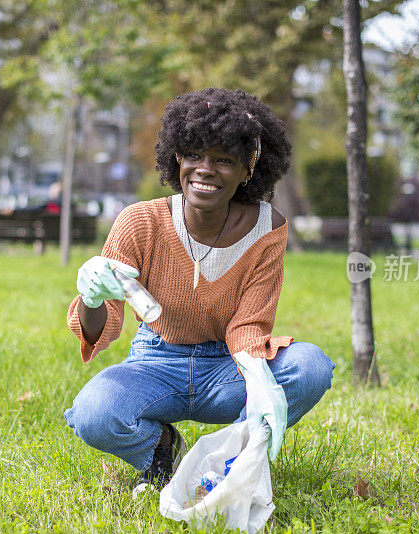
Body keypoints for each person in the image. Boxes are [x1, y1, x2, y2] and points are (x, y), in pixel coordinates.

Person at [64, 88, 335, 496]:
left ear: (249, 169)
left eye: (224, 159)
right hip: (156, 361)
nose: (205, 169)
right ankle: (160, 449)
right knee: (93, 413)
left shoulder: (268, 227)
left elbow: (249, 323)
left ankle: (230, 462)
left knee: (310, 365)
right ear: (177, 158)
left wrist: (258, 375)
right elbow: (104, 328)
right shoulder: (140, 222)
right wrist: (92, 297)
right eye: (193, 155)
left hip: (228, 367)